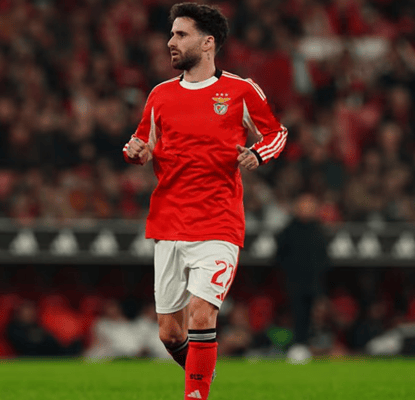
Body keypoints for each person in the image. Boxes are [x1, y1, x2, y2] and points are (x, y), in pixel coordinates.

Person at [123, 3, 287, 399]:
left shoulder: (240, 90)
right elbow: (141, 143)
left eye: (181, 34)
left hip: (218, 223)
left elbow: (276, 133)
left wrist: (258, 153)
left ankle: (196, 395)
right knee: (170, 333)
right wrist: (135, 151)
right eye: (171, 34)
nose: (171, 41)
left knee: (201, 312)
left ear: (208, 42)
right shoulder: (160, 94)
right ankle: (203, 373)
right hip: (168, 223)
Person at [275, 193, 331, 363]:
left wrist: (320, 286)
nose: (306, 209)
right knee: (295, 315)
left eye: (309, 206)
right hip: (292, 283)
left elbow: (324, 259)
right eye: (303, 206)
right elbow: (279, 257)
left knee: (313, 318)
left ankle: (307, 346)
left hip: (314, 284)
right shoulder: (288, 231)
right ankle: (295, 347)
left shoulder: (320, 231)